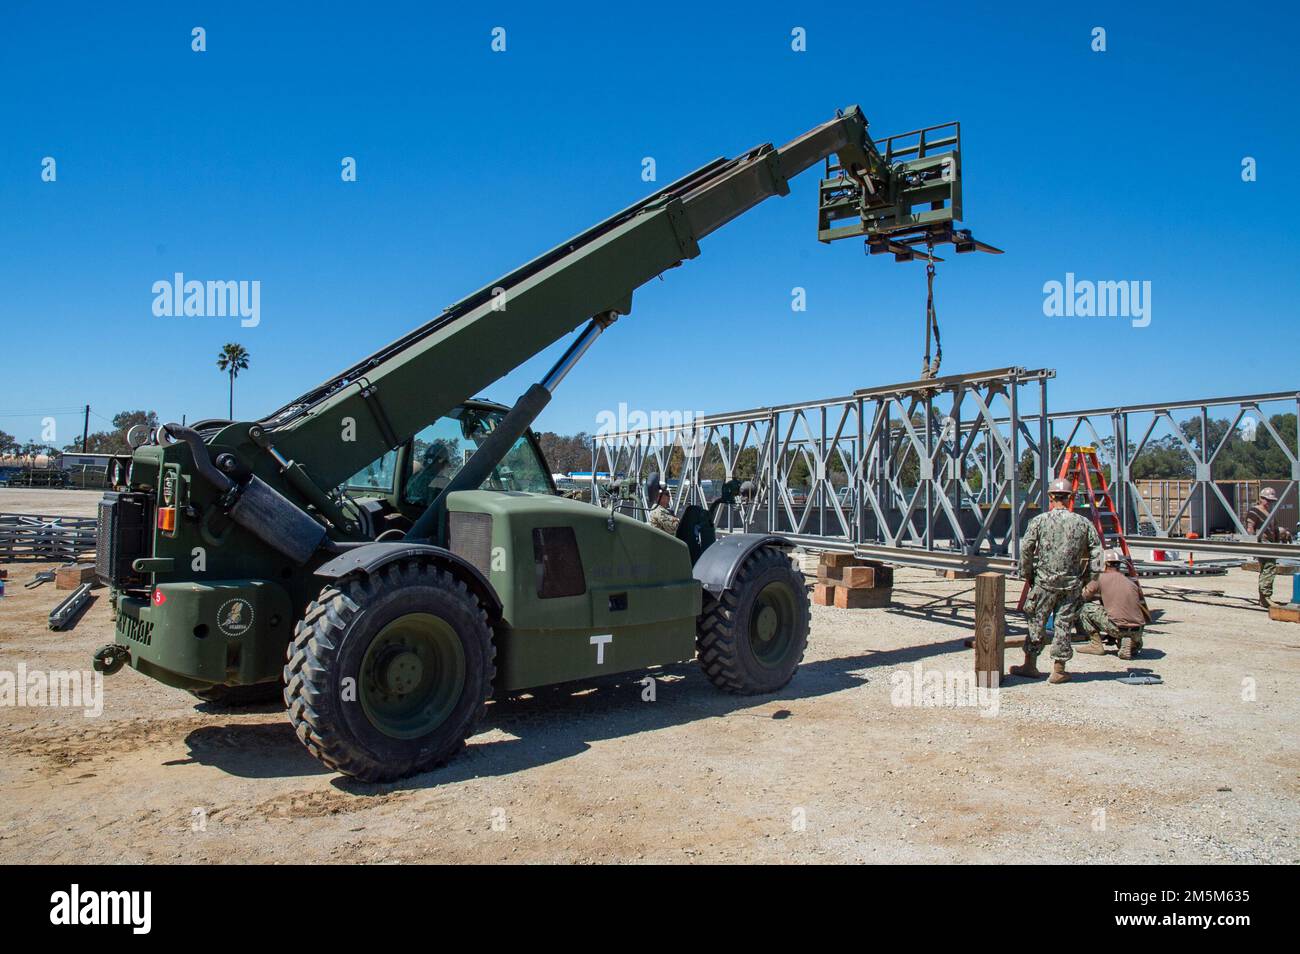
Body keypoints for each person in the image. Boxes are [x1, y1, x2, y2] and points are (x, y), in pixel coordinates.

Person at [1011, 477, 1104, 684]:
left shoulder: (1039, 521)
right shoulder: (1083, 523)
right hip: (1071, 585)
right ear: (1071, 498)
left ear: (1051, 496)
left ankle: (1030, 665)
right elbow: (1098, 554)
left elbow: (1026, 549)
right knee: (1063, 625)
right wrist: (1089, 579)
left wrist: (1028, 575)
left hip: (1044, 583)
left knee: (1036, 623)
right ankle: (1059, 670)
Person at [1078, 549, 1148, 659]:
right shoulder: (1131, 583)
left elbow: (1083, 597)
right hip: (1138, 630)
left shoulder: (1100, 578)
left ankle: (1096, 645)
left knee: (1085, 608)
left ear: (1104, 563)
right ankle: (1131, 642)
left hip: (1118, 628)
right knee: (1117, 615)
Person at [1245, 487, 1291, 607]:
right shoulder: (1255, 511)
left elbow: (1274, 529)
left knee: (1266, 570)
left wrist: (1283, 534)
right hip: (1263, 544)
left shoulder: (1270, 513)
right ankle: (1266, 596)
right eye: (1267, 500)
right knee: (1269, 569)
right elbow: (1250, 528)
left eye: (1271, 501)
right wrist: (1253, 545)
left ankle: (1263, 598)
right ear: (1261, 498)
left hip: (1271, 545)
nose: (1269, 503)